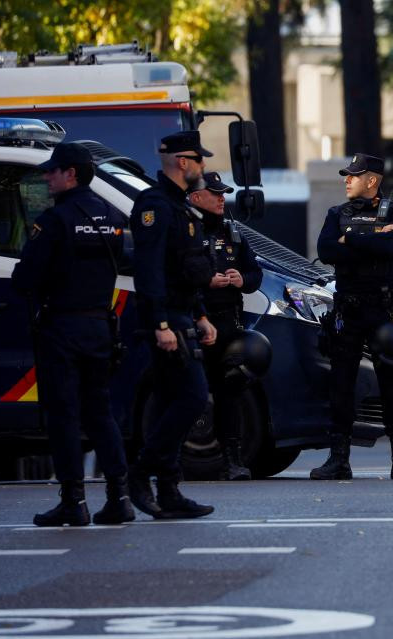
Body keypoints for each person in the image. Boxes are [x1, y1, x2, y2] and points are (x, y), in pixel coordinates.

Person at [11, 142, 135, 526]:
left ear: (72, 174)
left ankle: (74, 502)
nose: (47, 176)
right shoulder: (113, 216)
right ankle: (120, 497)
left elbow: (26, 278)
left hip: (61, 328)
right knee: (100, 413)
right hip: (100, 325)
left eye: (54, 170)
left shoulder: (54, 220)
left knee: (63, 415)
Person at [128, 131, 219, 517]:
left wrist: (200, 315)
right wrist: (161, 324)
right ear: (184, 162)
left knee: (170, 401)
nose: (203, 168)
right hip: (166, 320)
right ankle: (142, 472)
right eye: (199, 160)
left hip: (183, 315)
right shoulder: (155, 206)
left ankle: (169, 491)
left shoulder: (179, 206)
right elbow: (148, 271)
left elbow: (183, 269)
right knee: (194, 397)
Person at [312, 153, 393, 480]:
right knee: (341, 384)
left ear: (372, 180)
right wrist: (373, 237)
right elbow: (327, 250)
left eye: (354, 175)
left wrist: (352, 238)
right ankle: (338, 459)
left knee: (391, 385)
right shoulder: (336, 213)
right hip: (348, 310)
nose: (347, 179)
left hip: (383, 311)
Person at [189, 171, 264, 480]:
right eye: (215, 193)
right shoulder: (187, 231)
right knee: (189, 394)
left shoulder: (232, 233)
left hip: (228, 325)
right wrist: (207, 281)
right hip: (196, 325)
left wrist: (240, 279)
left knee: (230, 393)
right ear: (196, 197)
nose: (222, 198)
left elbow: (255, 274)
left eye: (223, 193)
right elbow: (178, 276)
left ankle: (231, 459)